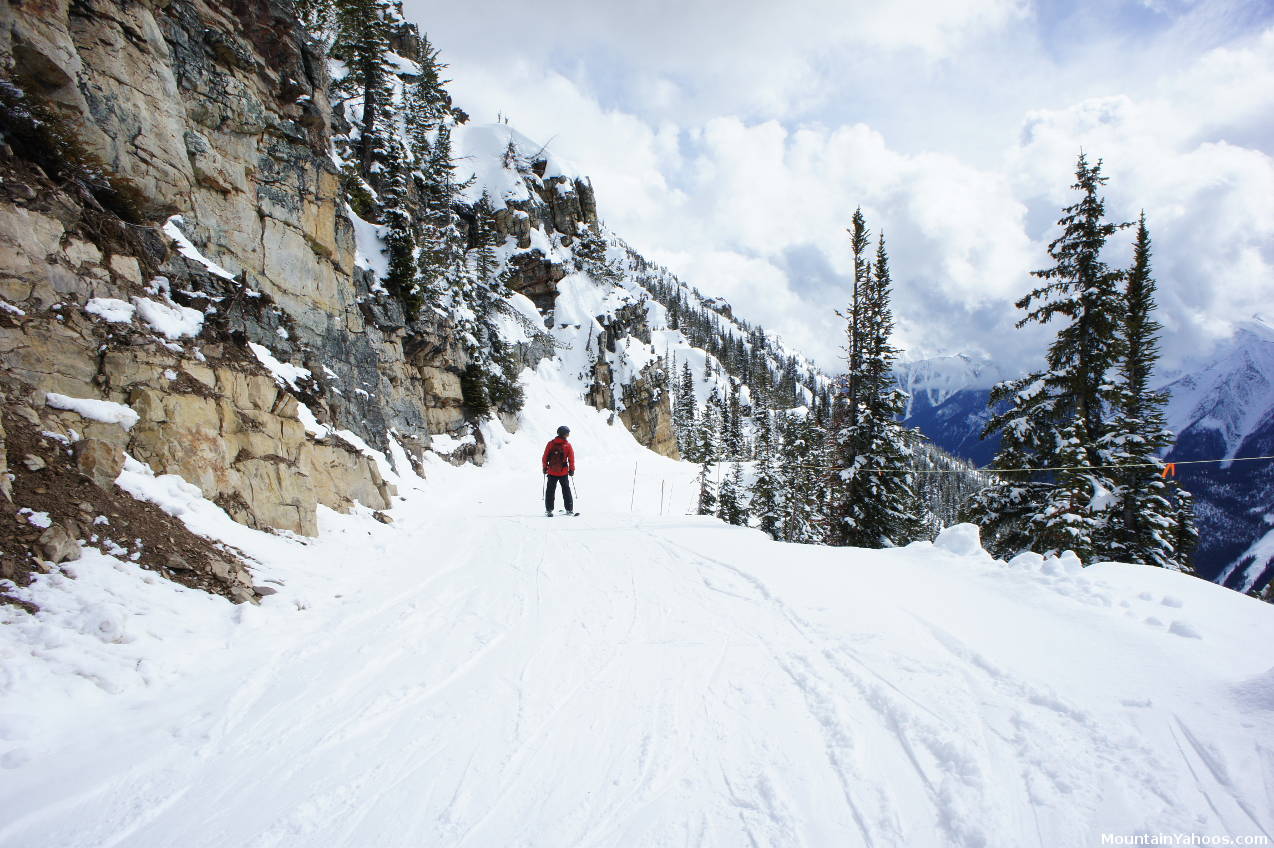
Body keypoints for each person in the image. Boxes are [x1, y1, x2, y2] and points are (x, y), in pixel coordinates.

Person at [542, 425, 575, 516]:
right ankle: (569, 509)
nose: (568, 435)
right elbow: (571, 459)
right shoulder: (567, 445)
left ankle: (549, 510)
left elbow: (545, 457)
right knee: (566, 490)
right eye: (567, 434)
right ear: (564, 434)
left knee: (550, 491)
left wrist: (545, 467)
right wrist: (571, 470)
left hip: (552, 471)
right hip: (563, 472)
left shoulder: (550, 444)